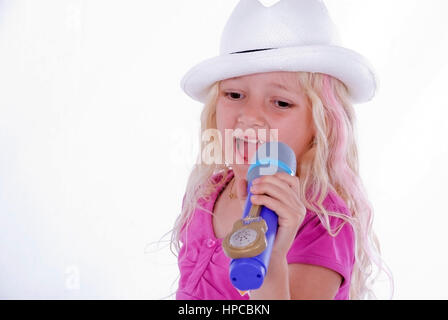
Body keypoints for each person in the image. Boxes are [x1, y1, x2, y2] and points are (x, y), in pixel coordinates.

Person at [171, 0, 391, 300]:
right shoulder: (208, 193)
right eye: (234, 94)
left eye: (281, 103)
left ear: (321, 123)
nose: (249, 117)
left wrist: (271, 259)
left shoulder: (324, 223)